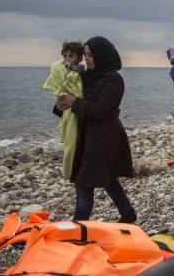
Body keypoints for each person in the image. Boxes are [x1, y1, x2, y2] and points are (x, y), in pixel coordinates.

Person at [57, 36, 137, 223]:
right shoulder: (84, 75)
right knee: (108, 178)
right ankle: (128, 214)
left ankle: (76, 231)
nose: (86, 59)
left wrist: (74, 102)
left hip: (103, 138)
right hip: (85, 135)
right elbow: (74, 98)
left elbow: (100, 110)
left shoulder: (114, 80)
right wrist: (61, 105)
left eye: (91, 55)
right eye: (85, 55)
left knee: (84, 184)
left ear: (102, 55)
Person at [44, 40, 84, 179]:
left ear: (80, 58)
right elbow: (58, 86)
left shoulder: (82, 72)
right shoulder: (60, 70)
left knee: (74, 143)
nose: (67, 59)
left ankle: (73, 170)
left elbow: (80, 90)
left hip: (78, 112)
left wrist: (74, 98)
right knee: (69, 141)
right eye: (65, 56)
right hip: (67, 111)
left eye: (71, 56)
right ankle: (71, 171)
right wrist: (61, 99)